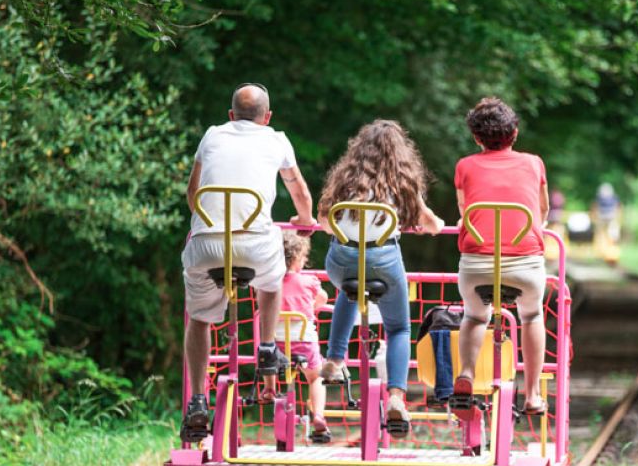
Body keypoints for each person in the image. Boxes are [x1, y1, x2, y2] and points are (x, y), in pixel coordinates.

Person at [180, 83, 314, 443]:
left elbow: (193, 193)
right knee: (272, 280)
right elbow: (298, 189)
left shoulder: (211, 135)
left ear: (230, 115)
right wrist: (306, 219)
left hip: (207, 243)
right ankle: (267, 347)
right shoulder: (276, 139)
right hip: (254, 246)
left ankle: (197, 400)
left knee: (199, 320)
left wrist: (207, 223)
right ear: (267, 117)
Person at [317, 120, 445, 438]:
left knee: (349, 289)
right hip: (383, 261)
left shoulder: (344, 180)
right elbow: (431, 224)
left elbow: (324, 221)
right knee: (399, 327)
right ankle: (396, 398)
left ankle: (334, 359)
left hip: (341, 262)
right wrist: (435, 224)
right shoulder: (400, 182)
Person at [453, 97, 549, 416]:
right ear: (515, 133)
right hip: (526, 263)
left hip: (477, 263)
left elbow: (466, 212)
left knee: (474, 316)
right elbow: (543, 209)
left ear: (476, 137)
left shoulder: (464, 166)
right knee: (532, 316)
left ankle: (466, 372)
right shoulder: (534, 163)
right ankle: (533, 393)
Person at [275, 230, 330, 440]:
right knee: (316, 377)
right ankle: (318, 415)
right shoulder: (309, 281)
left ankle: (269, 388)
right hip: (304, 342)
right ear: (298, 257)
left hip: (277, 343)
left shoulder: (270, 282)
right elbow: (323, 298)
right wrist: (311, 307)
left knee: (269, 362)